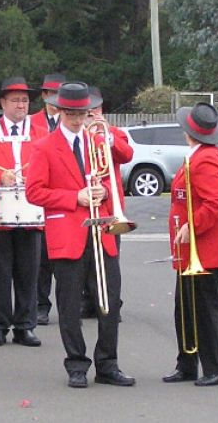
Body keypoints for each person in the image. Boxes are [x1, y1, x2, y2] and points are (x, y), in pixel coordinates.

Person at [25, 82, 134, 389]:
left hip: (103, 230)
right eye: (71, 112)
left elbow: (121, 161)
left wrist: (103, 191)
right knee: (70, 305)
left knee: (109, 302)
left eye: (82, 112)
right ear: (59, 110)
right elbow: (34, 192)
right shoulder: (44, 146)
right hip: (67, 233)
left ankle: (108, 364)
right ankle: (76, 364)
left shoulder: (97, 140)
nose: (77, 118)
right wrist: (75, 197)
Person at [164, 102, 218, 387]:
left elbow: (215, 204)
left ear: (188, 131)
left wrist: (190, 225)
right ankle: (187, 364)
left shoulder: (205, 159)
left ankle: (215, 368)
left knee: (203, 310)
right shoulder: (199, 155)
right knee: (185, 307)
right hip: (192, 249)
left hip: (206, 248)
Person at [0, 78, 48, 347]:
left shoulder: (40, 132)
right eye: (15, 100)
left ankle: (25, 325)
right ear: (2, 103)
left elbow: (49, 165)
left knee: (29, 272)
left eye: (25, 100)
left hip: (31, 212)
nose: (21, 105)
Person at [81, 86, 133, 319]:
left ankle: (113, 304)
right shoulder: (78, 134)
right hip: (84, 201)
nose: (92, 113)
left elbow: (127, 154)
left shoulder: (113, 132)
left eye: (97, 108)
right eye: (88, 109)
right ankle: (90, 300)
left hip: (110, 204)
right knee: (85, 257)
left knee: (110, 256)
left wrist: (106, 138)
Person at [30, 73, 66, 326]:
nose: (54, 101)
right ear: (43, 96)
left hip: (65, 198)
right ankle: (41, 305)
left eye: (58, 96)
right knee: (41, 259)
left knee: (66, 260)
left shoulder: (73, 121)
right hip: (40, 196)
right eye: (50, 95)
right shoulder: (32, 123)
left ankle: (71, 305)